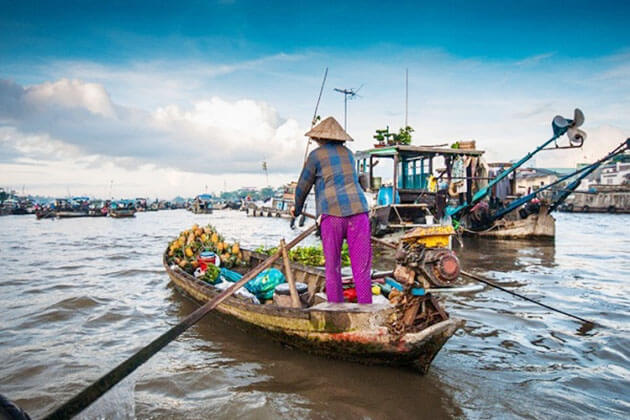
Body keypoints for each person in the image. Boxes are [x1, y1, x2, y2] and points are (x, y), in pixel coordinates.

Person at [291, 117, 372, 304]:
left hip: (332, 214)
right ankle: (366, 309)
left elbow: (303, 185)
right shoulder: (349, 154)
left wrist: (297, 210)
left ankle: (336, 307)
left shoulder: (315, 155)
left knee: (333, 266)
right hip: (359, 212)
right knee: (361, 268)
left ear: (320, 138)